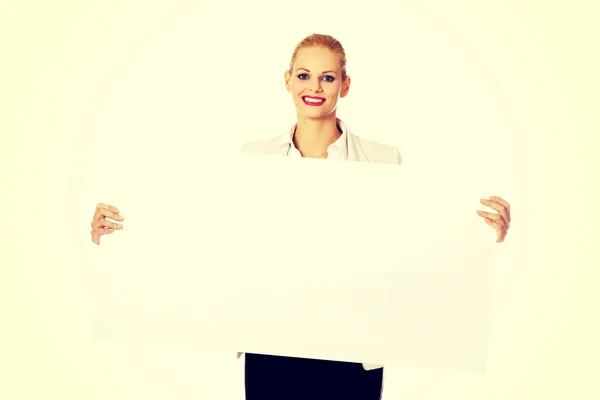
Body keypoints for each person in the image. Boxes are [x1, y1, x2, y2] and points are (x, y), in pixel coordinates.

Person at [90, 34, 511, 400]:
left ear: (344, 86)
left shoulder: (384, 161)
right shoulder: (254, 159)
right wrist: (122, 233)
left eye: (328, 77)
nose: (315, 87)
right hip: (272, 343)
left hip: (354, 349)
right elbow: (210, 237)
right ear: (287, 80)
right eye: (304, 75)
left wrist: (477, 235)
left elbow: (414, 247)